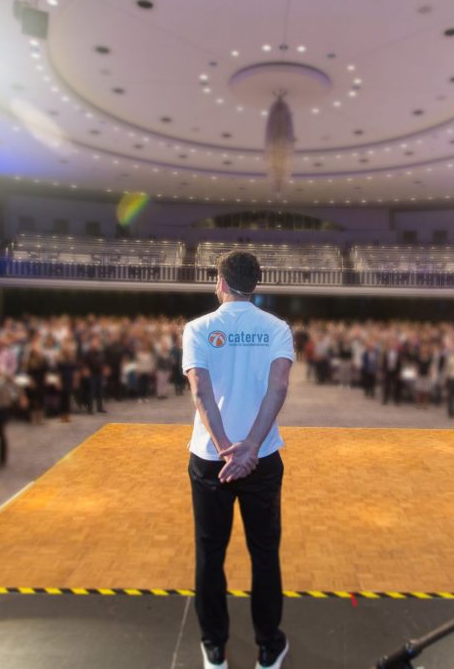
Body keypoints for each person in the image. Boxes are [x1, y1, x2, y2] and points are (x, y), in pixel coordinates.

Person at [183, 251, 293, 669]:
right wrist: (249, 446)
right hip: (261, 458)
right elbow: (278, 388)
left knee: (210, 554)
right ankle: (269, 646)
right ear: (256, 285)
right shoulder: (278, 328)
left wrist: (226, 445)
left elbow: (200, 392)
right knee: (264, 553)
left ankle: (215, 646)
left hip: (211, 459)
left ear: (221, 283)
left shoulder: (198, 328)